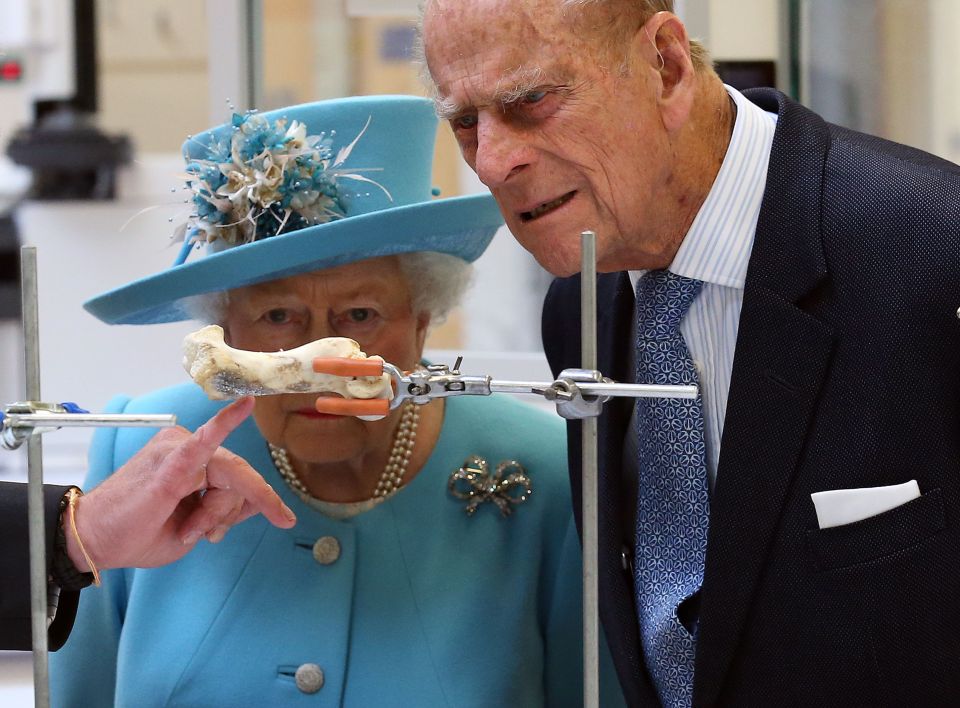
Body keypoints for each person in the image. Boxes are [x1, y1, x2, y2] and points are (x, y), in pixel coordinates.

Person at [420, 0, 960, 706]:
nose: (492, 163)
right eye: (465, 123)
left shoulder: (931, 252)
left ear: (666, 66)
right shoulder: (581, 307)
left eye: (532, 101)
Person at [51, 95, 623, 706]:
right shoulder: (147, 458)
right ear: (227, 329)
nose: (319, 360)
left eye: (359, 313)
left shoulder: (549, 473)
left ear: (423, 321)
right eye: (277, 315)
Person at [0, 397, 297, 652]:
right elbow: (88, 673)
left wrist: (82, 532)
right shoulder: (140, 434)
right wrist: (83, 533)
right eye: (276, 323)